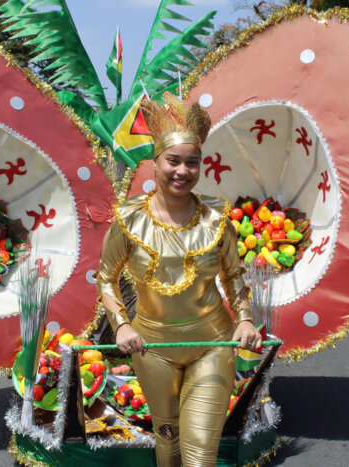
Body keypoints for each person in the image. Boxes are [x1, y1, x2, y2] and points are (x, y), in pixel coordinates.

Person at [95, 94, 262, 467]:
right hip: (150, 349)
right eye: (173, 161)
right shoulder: (128, 219)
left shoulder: (217, 219)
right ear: (155, 163)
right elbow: (106, 278)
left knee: (200, 452)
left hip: (210, 344)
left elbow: (233, 276)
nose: (182, 171)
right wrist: (120, 326)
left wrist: (246, 317)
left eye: (192, 163)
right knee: (167, 439)